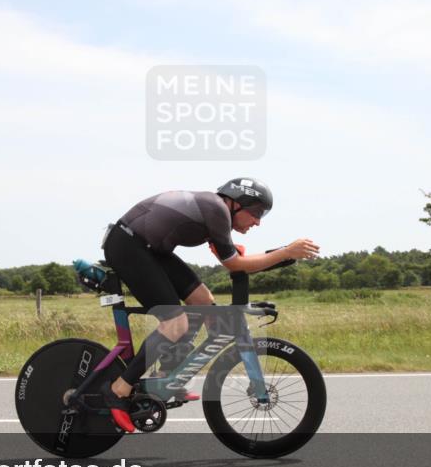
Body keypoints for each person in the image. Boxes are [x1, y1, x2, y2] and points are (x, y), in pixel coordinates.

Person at [100, 178, 320, 432]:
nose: (258, 222)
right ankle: (119, 389)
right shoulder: (216, 208)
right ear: (237, 203)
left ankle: (166, 377)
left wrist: (281, 254)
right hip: (129, 246)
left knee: (203, 302)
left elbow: (237, 259)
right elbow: (234, 264)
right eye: (257, 213)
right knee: (175, 323)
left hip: (150, 249)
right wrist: (285, 252)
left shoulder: (215, 214)